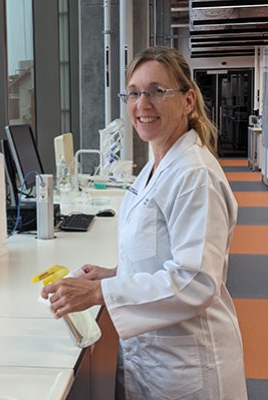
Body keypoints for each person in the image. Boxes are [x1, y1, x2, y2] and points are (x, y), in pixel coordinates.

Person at [41, 45, 248, 400]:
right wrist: (114, 274)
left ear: (187, 100)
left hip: (188, 367)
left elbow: (196, 281)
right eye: (134, 93)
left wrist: (98, 292)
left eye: (156, 91)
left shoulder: (193, 175)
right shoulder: (156, 167)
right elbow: (163, 250)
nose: (142, 104)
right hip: (155, 358)